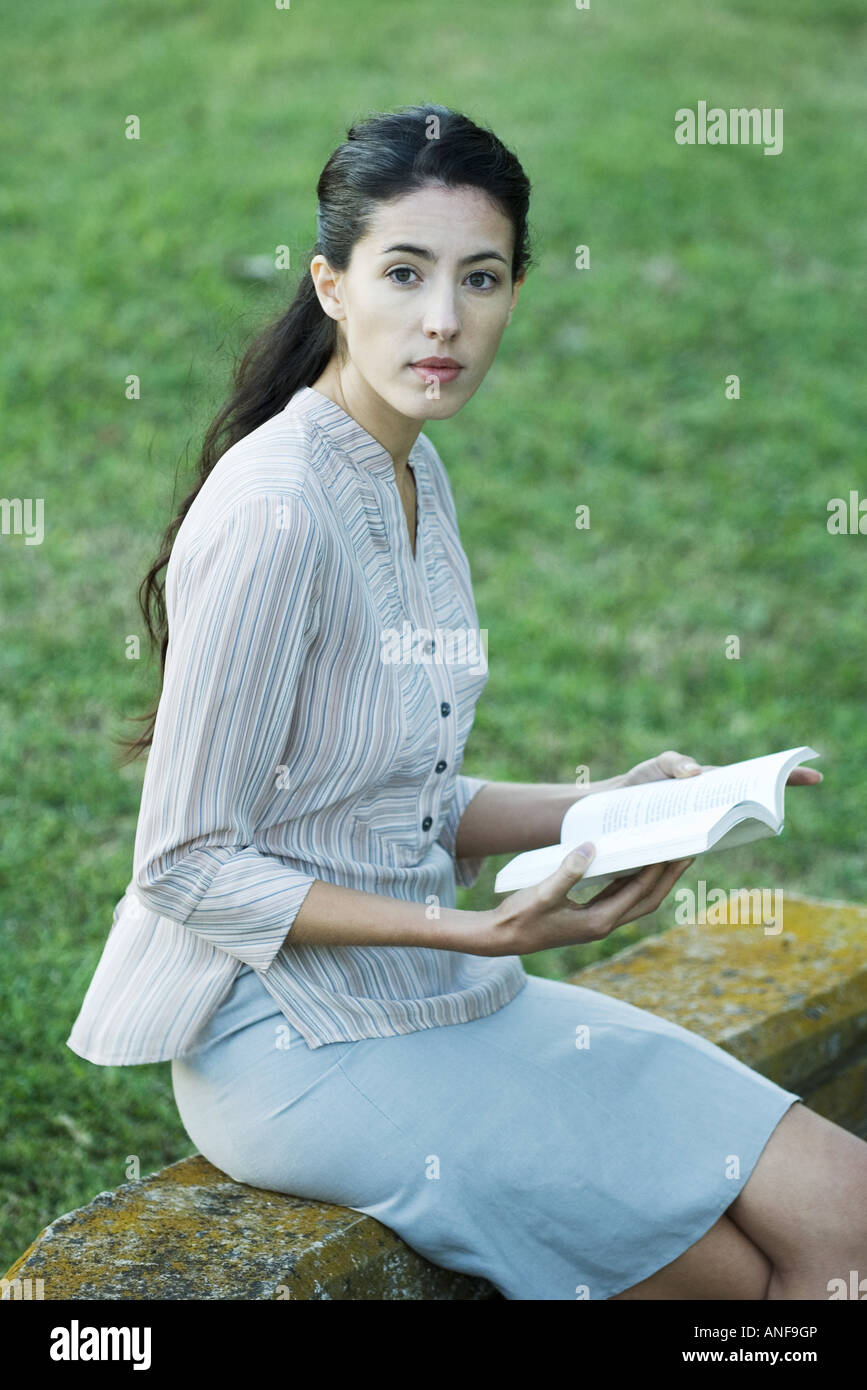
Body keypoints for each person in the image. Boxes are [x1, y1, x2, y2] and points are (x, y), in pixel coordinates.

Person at [67, 103, 865, 1301]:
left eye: (480, 278)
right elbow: (185, 865)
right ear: (331, 285)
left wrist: (608, 805)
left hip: (447, 991)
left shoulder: (410, 464)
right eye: (404, 271)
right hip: (292, 1040)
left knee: (845, 1210)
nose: (444, 320)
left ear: (515, 292)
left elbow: (398, 800)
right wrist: (470, 928)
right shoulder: (278, 508)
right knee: (741, 1277)